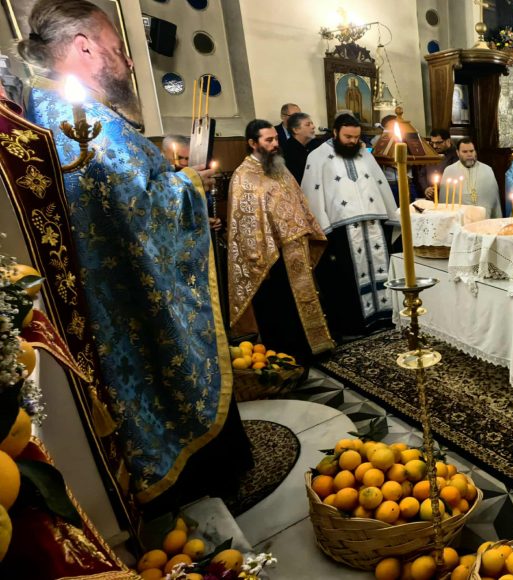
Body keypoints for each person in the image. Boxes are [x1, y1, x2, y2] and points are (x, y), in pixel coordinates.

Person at [20, 0, 250, 511]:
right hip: (133, 305)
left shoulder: (52, 111)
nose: (127, 61)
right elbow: (141, 209)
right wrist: (189, 186)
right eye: (118, 47)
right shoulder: (79, 121)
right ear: (83, 46)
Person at [228, 120, 334, 363]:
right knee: (280, 308)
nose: (275, 144)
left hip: (296, 249)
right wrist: (261, 252)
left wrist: (308, 232)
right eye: (269, 140)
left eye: (276, 138)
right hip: (271, 257)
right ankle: (287, 357)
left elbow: (299, 202)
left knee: (305, 301)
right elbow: (245, 224)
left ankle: (312, 348)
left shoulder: (280, 168)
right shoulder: (243, 177)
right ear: (252, 143)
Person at [301, 113, 400, 338]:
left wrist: (390, 214)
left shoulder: (364, 154)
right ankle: (355, 326)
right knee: (347, 278)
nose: (353, 141)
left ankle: (383, 317)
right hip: (341, 230)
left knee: (380, 269)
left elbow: (379, 184)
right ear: (335, 133)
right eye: (348, 137)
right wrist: (321, 228)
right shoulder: (317, 157)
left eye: (356, 137)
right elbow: (312, 193)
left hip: (373, 225)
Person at [440, 137, 502, 218]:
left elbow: (495, 201)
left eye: (471, 151)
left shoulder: (487, 170)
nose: (469, 154)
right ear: (458, 153)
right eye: (465, 152)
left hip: (483, 220)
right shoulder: (449, 171)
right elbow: (443, 202)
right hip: (460, 220)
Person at [418, 128, 458, 197]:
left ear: (448, 141)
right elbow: (422, 174)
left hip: (449, 195)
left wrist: (437, 188)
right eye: (432, 143)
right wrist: (426, 189)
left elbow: (455, 176)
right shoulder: (429, 153)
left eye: (438, 143)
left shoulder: (457, 154)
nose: (435, 146)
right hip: (430, 195)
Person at [282, 111, 319, 183]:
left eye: (312, 123)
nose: (313, 127)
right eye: (308, 125)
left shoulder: (316, 144)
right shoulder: (287, 150)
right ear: (296, 130)